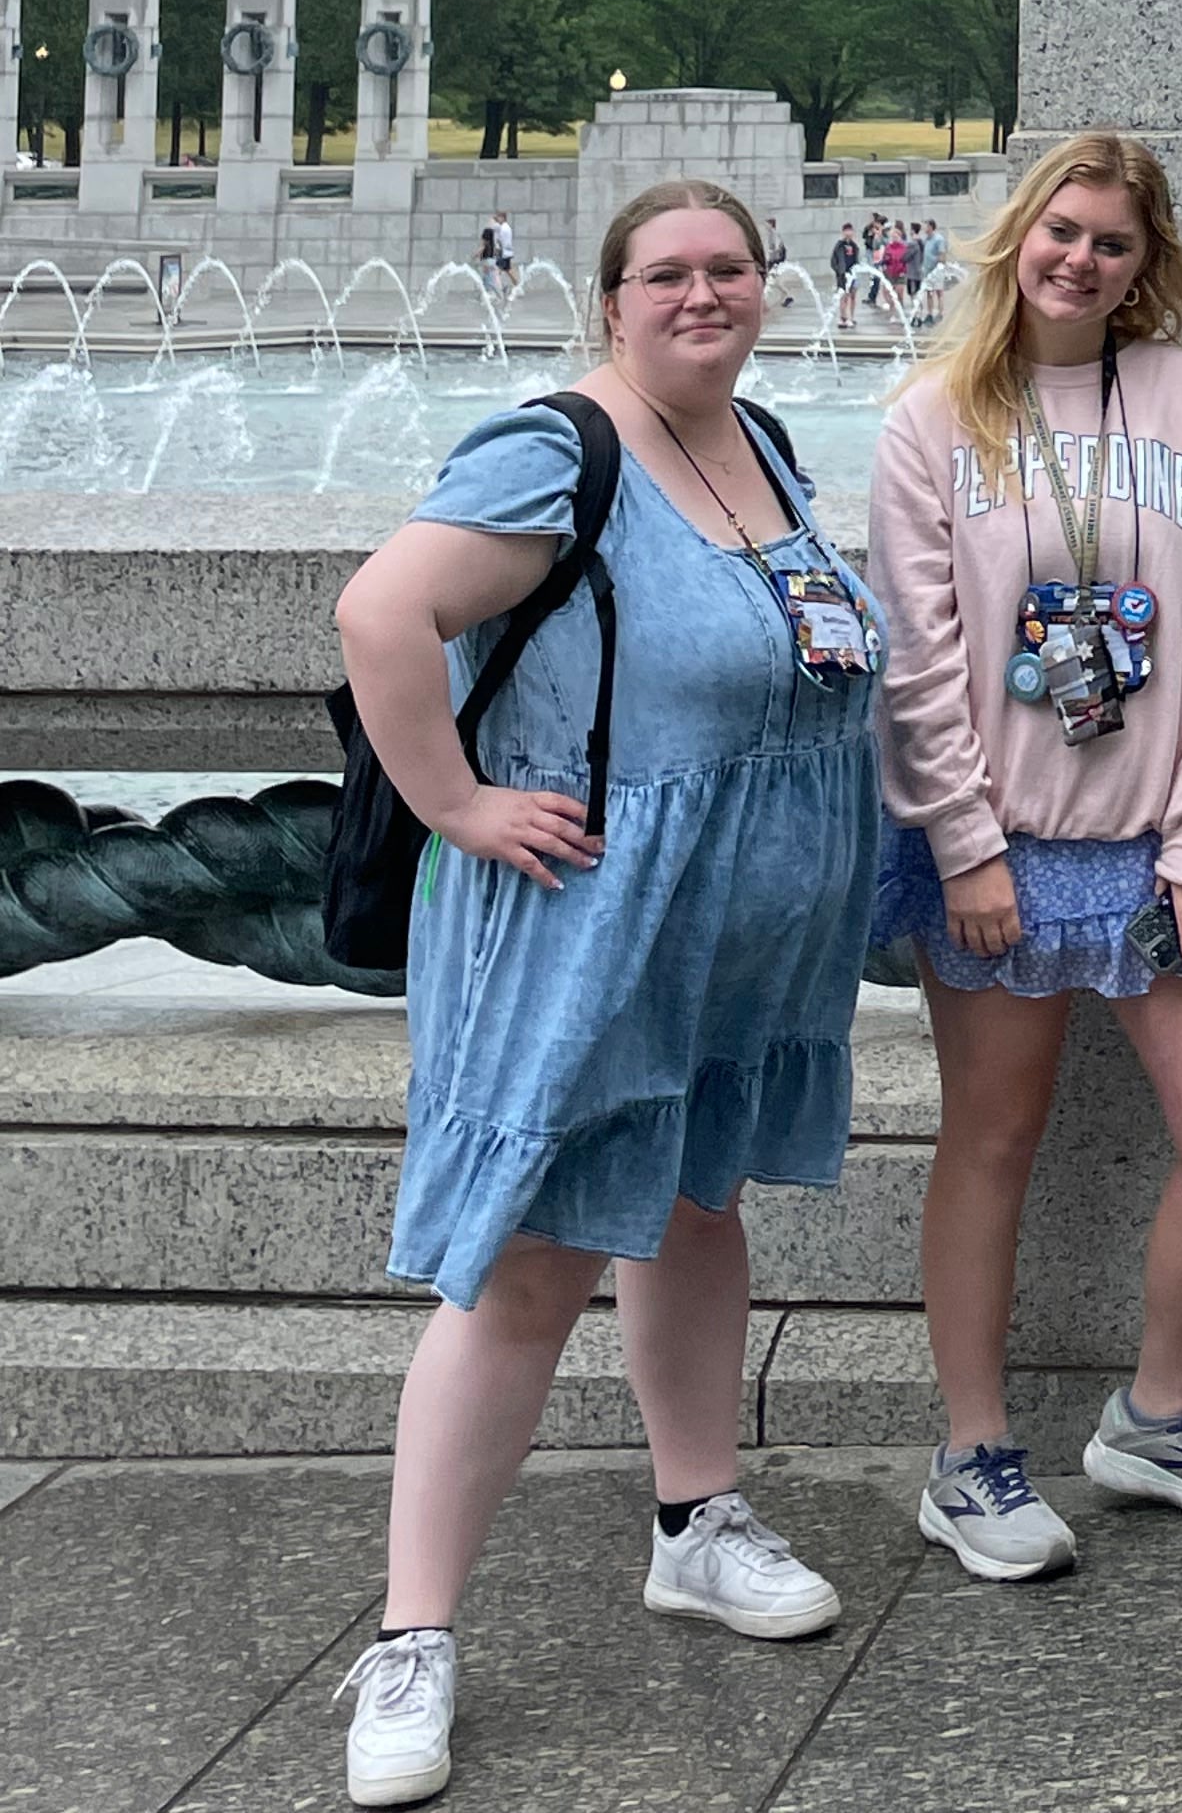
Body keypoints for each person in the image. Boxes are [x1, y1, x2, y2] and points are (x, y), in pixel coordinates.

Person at [329, 180, 883, 1805]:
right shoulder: (556, 447)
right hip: (591, 917)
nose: (702, 295)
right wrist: (454, 803)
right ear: (611, 299)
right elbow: (384, 609)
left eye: (728, 268)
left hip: (725, 933)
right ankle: (414, 1638)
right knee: (527, 1265)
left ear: (763, 287)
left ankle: (694, 1519)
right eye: (667, 275)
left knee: (696, 1204)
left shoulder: (756, 438)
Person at [867, 128, 1182, 1584]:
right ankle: (974, 1457)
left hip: (1166, 848)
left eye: (1113, 243)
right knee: (994, 1138)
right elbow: (919, 659)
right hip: (1003, 849)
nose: (1082, 259)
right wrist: (965, 843)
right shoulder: (936, 418)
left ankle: (1159, 1415)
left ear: (1143, 266)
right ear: (1018, 239)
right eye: (1062, 231)